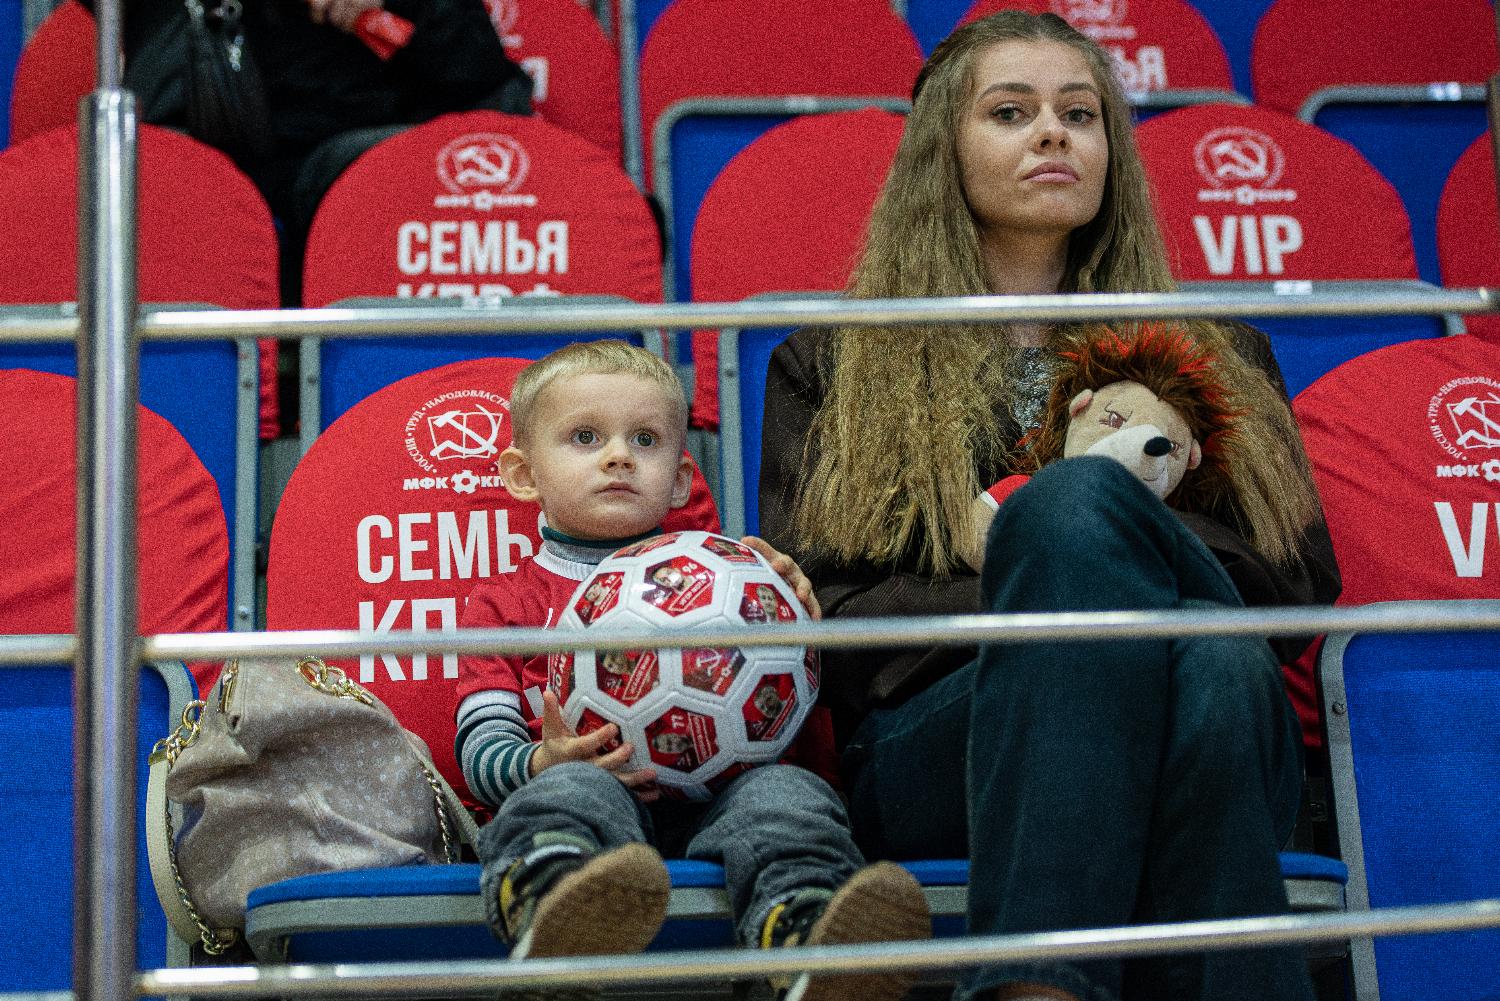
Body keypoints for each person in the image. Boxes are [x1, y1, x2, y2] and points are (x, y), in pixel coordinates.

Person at [758, 11, 1342, 1001]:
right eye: (1010, 112)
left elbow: (1292, 584)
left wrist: (1078, 531)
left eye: (1080, 113)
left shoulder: (1219, 347)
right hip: (945, 741)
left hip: (1210, 714)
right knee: (1187, 641)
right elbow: (831, 621)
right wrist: (1050, 560)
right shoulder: (834, 359)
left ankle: (1037, 986)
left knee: (1204, 646)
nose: (1052, 134)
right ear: (943, 150)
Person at [454, 341, 930, 1001]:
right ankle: (554, 920)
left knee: (789, 797)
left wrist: (790, 604)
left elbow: (802, 704)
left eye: (645, 440)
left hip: (725, 798)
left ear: (680, 479)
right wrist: (541, 760)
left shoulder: (740, 578)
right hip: (600, 802)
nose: (618, 456)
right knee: (565, 795)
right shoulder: (502, 607)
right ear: (522, 474)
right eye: (586, 437)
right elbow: (479, 750)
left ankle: (808, 941)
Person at [91, 0, 532, 303]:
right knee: (159, 172)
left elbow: (487, 80)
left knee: (387, 166)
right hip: (203, 137)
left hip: (351, 146)